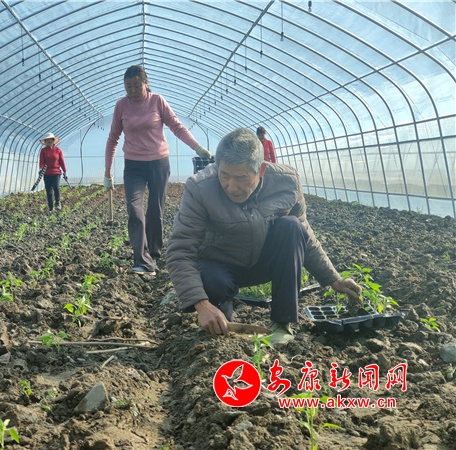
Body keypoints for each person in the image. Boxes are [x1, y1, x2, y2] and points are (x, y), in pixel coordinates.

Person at [166, 127, 360, 344]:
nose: (231, 186)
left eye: (241, 177)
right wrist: (201, 304)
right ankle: (221, 319)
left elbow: (303, 234)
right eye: (224, 175)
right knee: (216, 308)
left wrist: (333, 279)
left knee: (292, 226)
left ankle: (282, 323)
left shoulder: (287, 182)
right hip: (219, 264)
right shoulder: (200, 188)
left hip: (264, 262)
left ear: (261, 170)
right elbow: (180, 250)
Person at [104, 64, 212, 276]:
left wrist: (197, 147)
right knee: (134, 209)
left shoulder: (157, 101)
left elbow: (177, 126)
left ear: (146, 83)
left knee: (155, 210)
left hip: (158, 163)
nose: (132, 90)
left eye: (136, 86)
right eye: (128, 86)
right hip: (133, 165)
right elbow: (113, 138)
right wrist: (107, 170)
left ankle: (153, 255)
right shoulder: (121, 106)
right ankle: (142, 260)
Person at [39, 132, 67, 212]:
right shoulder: (43, 151)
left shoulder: (58, 150)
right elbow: (42, 161)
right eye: (47, 140)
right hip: (47, 173)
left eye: (50, 139)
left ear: (53, 140)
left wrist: (65, 171)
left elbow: (61, 161)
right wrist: (41, 169)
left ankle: (58, 202)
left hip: (56, 172)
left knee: (56, 186)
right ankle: (51, 207)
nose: (49, 141)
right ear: (45, 141)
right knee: (48, 190)